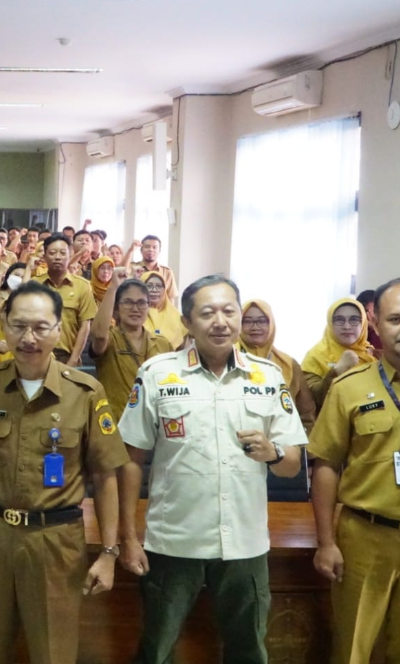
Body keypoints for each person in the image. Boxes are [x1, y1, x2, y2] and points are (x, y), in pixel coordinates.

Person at [117, 275, 308, 664]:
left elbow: (292, 466)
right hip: (174, 540)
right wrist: (128, 536)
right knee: (157, 648)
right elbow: (130, 460)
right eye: (207, 313)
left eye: (228, 311)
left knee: (248, 650)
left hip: (244, 542)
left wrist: (272, 452)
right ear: (187, 322)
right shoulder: (157, 374)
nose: (220, 321)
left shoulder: (268, 377)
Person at [0, 281, 127, 664]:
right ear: (4, 325)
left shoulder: (85, 392)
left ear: (59, 330)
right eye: (19, 326)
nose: (29, 338)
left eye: (41, 327)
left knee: (53, 651)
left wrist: (109, 552)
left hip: (55, 540)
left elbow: (107, 476)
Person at [307, 278, 400, 664]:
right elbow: (326, 465)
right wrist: (325, 541)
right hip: (363, 540)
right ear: (376, 323)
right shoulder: (348, 387)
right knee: (351, 650)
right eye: (396, 318)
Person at [89, 273, 173, 418]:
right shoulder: (110, 339)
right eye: (128, 302)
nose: (135, 308)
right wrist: (113, 288)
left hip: (153, 423)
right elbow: (99, 335)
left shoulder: (162, 343)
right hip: (117, 421)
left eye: (141, 303)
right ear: (116, 309)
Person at [238, 299, 316, 434]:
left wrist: (302, 449)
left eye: (262, 321)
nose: (255, 327)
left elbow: (306, 413)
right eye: (247, 321)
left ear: (271, 324)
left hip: (282, 444)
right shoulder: (228, 359)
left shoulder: (288, 364)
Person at [32, 234, 97, 366]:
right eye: (52, 253)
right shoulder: (34, 285)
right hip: (37, 354)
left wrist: (74, 359)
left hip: (67, 356)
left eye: (62, 253)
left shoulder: (82, 286)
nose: (57, 257)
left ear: (70, 255)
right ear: (44, 256)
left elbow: (85, 326)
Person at [302, 297, 376, 408]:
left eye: (354, 319)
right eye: (339, 320)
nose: (347, 326)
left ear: (364, 323)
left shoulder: (373, 355)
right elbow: (312, 400)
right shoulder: (316, 355)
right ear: (330, 323)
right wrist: (337, 371)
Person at [141, 271, 187, 350]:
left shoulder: (176, 317)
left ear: (165, 289)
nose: (154, 290)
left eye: (159, 286)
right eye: (149, 286)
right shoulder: (135, 314)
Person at [131, 235, 178, 304]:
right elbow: (120, 269)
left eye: (154, 247)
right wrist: (130, 251)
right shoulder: (133, 268)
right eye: (147, 247)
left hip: (159, 313)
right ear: (141, 250)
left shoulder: (167, 272)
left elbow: (170, 298)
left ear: (159, 251)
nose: (151, 250)